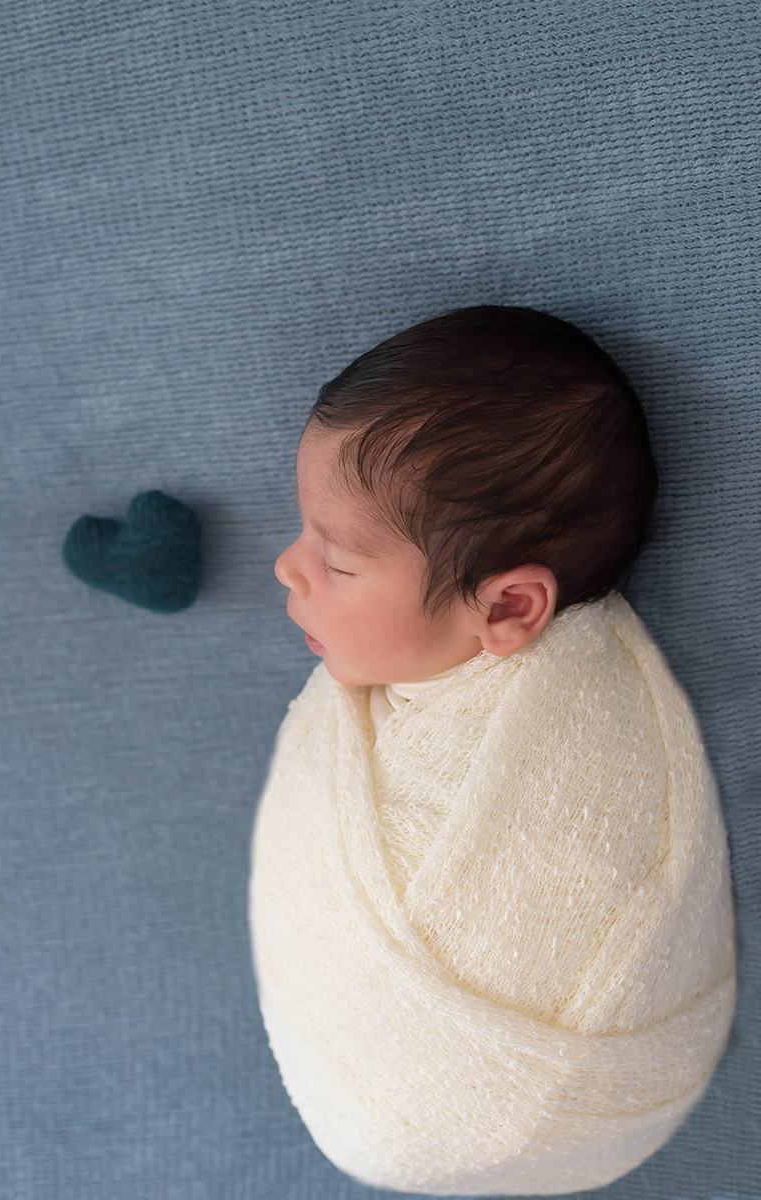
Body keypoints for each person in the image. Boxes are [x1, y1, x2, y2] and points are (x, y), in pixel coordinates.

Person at [250, 305, 736, 1196]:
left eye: (338, 562)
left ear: (509, 609)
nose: (287, 568)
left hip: (539, 1101)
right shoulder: (409, 676)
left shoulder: (582, 751)